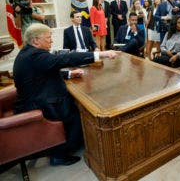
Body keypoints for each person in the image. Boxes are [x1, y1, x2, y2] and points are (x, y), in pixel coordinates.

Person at [13, 23, 118, 166]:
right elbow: (64, 59)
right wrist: (100, 54)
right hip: (40, 104)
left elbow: (44, 70)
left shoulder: (28, 52)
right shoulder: (35, 55)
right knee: (80, 112)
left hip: (34, 98)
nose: (51, 41)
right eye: (48, 38)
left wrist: (69, 73)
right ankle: (60, 153)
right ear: (36, 40)